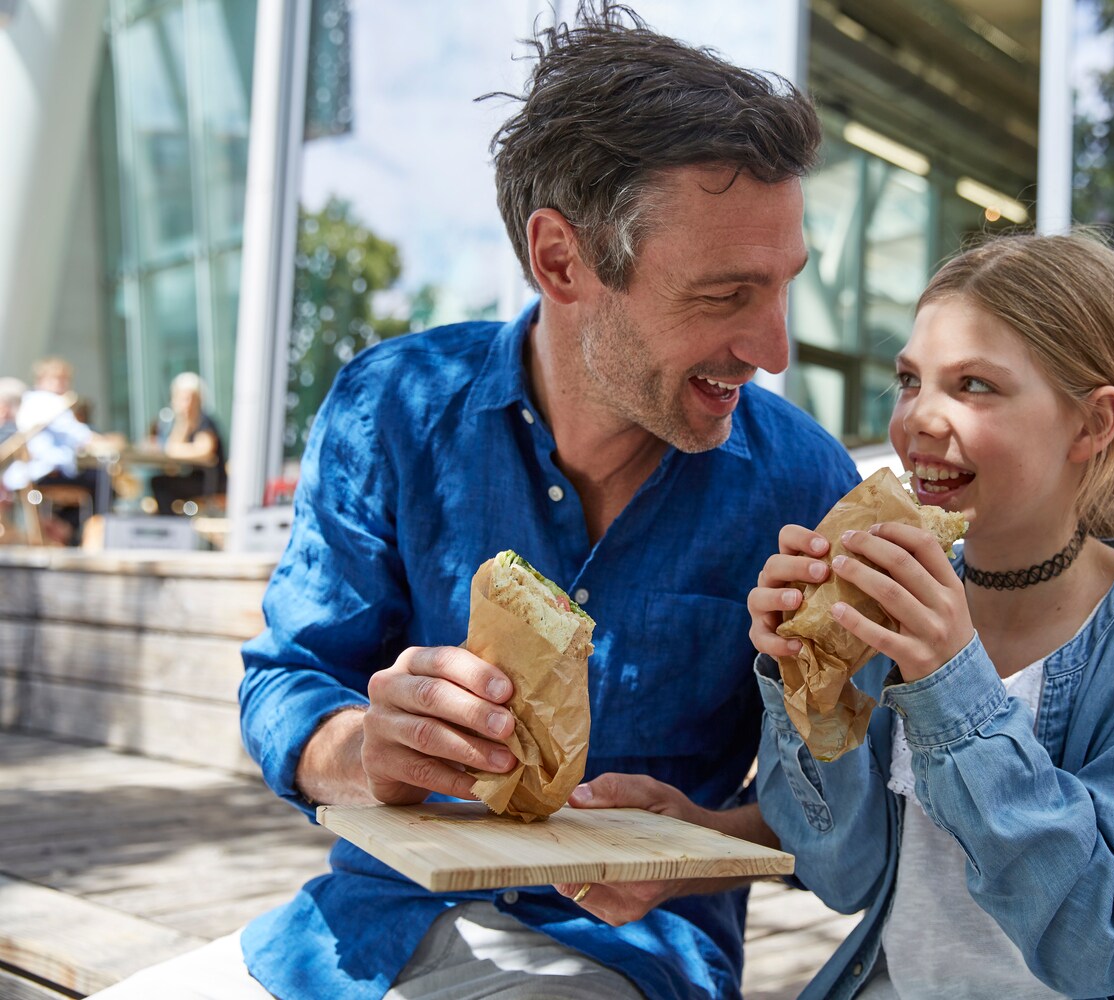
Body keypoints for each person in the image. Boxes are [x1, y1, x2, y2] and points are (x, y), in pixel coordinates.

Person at [94, 5, 856, 1000]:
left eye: (784, 285)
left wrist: (704, 843)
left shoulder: (803, 488)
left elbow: (850, 815)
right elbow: (287, 684)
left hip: (614, 964)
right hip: (347, 941)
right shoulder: (391, 408)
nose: (776, 349)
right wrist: (371, 746)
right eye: (724, 295)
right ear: (559, 259)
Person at [749, 232, 1114, 999]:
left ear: (1093, 424)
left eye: (975, 386)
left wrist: (952, 683)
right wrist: (807, 678)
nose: (919, 417)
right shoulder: (893, 607)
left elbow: (1099, 943)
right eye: (910, 380)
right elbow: (839, 875)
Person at [0, 357, 106, 543]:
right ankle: (80, 535)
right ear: (41, 380)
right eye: (56, 379)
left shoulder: (31, 402)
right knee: (103, 483)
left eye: (64, 379)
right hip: (45, 472)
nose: (61, 384)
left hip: (28, 475)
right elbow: (81, 436)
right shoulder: (50, 403)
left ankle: (64, 530)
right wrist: (106, 442)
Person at [147, 371, 226, 514]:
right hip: (192, 478)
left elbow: (204, 451)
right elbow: (171, 456)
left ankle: (171, 525)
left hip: (209, 481)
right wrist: (182, 423)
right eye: (182, 399)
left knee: (160, 484)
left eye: (191, 399)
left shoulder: (205, 422)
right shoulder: (178, 423)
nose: (187, 404)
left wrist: (171, 450)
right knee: (159, 482)